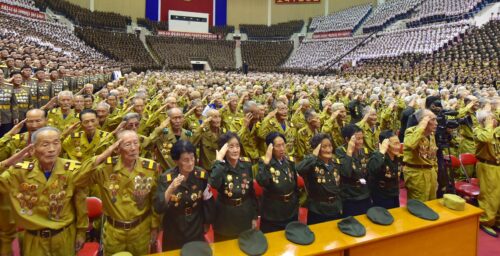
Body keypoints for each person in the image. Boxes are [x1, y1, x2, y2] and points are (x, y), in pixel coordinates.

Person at [0, 127, 92, 256]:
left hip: (64, 236)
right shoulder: (19, 172)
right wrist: (5, 164)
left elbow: (80, 202)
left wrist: (82, 232)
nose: (52, 149)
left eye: (56, 143)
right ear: (33, 149)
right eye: (45, 144)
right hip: (34, 238)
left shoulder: (72, 169)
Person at [74, 130, 160, 255]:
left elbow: (155, 200)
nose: (133, 148)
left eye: (135, 143)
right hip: (114, 232)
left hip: (141, 230)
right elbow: (78, 180)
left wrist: (154, 226)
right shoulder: (106, 168)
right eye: (127, 144)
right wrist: (103, 156)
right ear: (117, 149)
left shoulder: (150, 168)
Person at [154, 140, 215, 250]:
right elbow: (158, 207)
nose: (191, 163)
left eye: (192, 158)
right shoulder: (166, 178)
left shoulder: (201, 175)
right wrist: (171, 188)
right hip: (174, 227)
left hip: (196, 225)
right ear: (176, 161)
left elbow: (208, 201)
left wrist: (207, 222)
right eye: (186, 160)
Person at [209, 132, 257, 241]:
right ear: (224, 149)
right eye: (231, 147)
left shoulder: (246, 164)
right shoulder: (219, 166)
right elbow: (214, 184)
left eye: (237, 146)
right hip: (225, 216)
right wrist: (219, 160)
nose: (235, 150)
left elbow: (251, 192)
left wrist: (254, 216)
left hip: (245, 212)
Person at [256, 132, 299, 232]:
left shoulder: (290, 161)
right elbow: (262, 181)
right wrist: (266, 161)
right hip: (272, 212)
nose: (282, 148)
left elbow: (295, 184)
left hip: (290, 209)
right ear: (270, 147)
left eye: (283, 144)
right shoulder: (264, 162)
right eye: (278, 146)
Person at [296, 133, 343, 224]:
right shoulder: (312, 164)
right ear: (317, 149)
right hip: (318, 209)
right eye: (324, 147)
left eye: (330, 146)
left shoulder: (336, 163)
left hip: (335, 207)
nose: (328, 149)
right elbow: (299, 169)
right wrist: (313, 155)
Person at [474, 110, 500, 237]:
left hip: (497, 166)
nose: (495, 121)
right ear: (484, 121)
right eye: (491, 119)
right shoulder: (479, 130)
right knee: (489, 195)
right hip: (487, 166)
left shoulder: (496, 130)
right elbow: (486, 138)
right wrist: (488, 125)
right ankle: (486, 221)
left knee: (498, 195)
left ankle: (496, 220)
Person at [403, 109, 438, 202]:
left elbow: (433, 156)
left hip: (430, 172)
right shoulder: (411, 131)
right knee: (419, 205)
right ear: (423, 120)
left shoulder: (431, 134)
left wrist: (435, 172)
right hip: (417, 174)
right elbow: (410, 144)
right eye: (433, 120)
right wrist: (422, 126)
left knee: (432, 202)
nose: (436, 123)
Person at [337, 124, 372, 216]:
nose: (361, 142)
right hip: (350, 195)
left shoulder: (364, 151)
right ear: (347, 139)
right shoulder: (340, 151)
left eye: (362, 138)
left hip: (365, 192)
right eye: (357, 139)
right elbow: (346, 172)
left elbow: (368, 172)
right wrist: (349, 151)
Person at [368, 130, 401, 209]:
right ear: (386, 144)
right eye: (395, 144)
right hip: (382, 196)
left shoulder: (397, 156)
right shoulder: (378, 156)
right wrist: (382, 151)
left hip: (394, 193)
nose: (398, 146)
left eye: (399, 143)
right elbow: (372, 169)